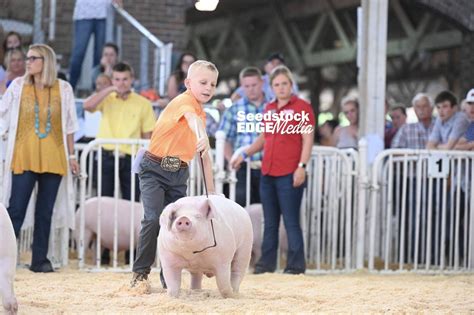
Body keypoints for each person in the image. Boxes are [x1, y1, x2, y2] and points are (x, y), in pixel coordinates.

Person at [130, 60, 218, 287]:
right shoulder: (184, 102)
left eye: (213, 84)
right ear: (188, 83)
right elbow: (192, 121)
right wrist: (203, 136)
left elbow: (204, 157)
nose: (209, 88)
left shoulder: (201, 113)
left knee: (177, 223)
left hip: (179, 172)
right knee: (153, 218)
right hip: (154, 168)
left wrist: (214, 196)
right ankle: (140, 274)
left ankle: (168, 278)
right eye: (203, 82)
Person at [0, 44, 79, 273]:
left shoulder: (63, 88)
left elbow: (70, 126)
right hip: (23, 155)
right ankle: (5, 259)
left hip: (54, 157)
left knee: (45, 212)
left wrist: (72, 155)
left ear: (46, 61)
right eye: (27, 58)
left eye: (33, 58)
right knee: (15, 210)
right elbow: (3, 111)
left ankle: (40, 261)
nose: (28, 62)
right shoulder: (17, 85)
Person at [232, 65, 315, 275]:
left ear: (291, 85)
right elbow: (264, 137)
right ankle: (265, 265)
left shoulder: (302, 108)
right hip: (268, 173)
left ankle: (295, 267)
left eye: (284, 84)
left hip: (290, 172)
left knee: (290, 221)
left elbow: (307, 140)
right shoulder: (269, 108)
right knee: (270, 222)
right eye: (277, 84)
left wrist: (301, 167)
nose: (281, 88)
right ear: (272, 87)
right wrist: (245, 154)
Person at [83, 62, 156, 201]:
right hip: (106, 156)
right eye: (117, 79)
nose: (121, 83)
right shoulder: (106, 98)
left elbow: (148, 136)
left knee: (132, 201)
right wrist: (110, 89)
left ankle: (130, 224)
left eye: (125, 79)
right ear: (112, 80)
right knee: (103, 200)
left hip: (132, 158)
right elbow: (87, 106)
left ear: (132, 79)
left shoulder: (143, 103)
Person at [218, 66, 266, 207]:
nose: (251, 89)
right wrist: (231, 160)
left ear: (262, 83)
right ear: (242, 86)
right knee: (241, 207)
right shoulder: (234, 109)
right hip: (242, 166)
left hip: (268, 166)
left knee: (268, 209)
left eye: (254, 85)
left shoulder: (272, 107)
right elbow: (224, 138)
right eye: (246, 86)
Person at [69, 0, 122, 90]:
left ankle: (97, 90)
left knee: (100, 56)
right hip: (84, 13)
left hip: (104, 13)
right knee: (78, 54)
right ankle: (69, 89)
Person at [231, 52, 298, 102]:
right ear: (266, 67)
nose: (276, 66)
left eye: (279, 63)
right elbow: (235, 97)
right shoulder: (258, 81)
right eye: (272, 63)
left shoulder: (291, 82)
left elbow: (294, 100)